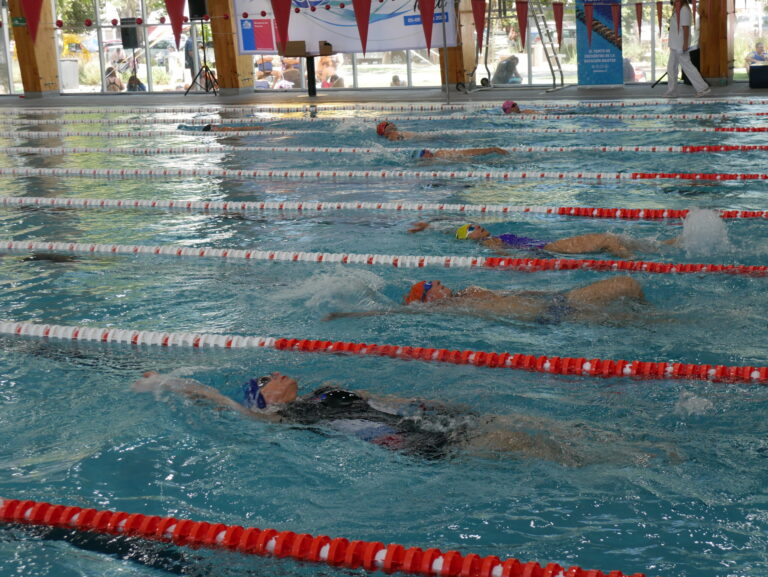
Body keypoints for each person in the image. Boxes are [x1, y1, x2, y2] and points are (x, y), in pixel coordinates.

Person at [133, 370, 630, 465]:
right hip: (408, 442)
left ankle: (616, 449)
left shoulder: (327, 389)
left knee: (519, 425)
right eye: (268, 378)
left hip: (419, 420)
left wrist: (422, 402)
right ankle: (610, 467)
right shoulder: (279, 417)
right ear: (263, 397)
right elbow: (217, 403)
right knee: (516, 442)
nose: (279, 372)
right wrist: (170, 383)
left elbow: (382, 397)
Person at [326, 276, 644, 326]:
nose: (438, 282)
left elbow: (514, 295)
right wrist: (347, 315)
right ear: (425, 301)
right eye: (430, 285)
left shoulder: (465, 293)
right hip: (550, 314)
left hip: (554, 306)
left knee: (632, 312)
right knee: (626, 283)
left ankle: (647, 313)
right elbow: (393, 311)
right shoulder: (446, 306)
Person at [409, 222, 676, 258]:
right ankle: (637, 262)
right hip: (549, 247)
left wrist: (429, 226)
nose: (477, 226)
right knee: (607, 239)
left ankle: (662, 248)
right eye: (472, 228)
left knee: (616, 238)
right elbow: (508, 255)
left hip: (548, 245)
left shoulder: (492, 238)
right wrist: (538, 258)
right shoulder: (489, 243)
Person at [664, 0, 711, 98]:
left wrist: (685, 44)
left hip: (680, 45)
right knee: (671, 68)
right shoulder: (677, 10)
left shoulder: (684, 10)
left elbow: (686, 28)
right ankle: (672, 91)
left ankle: (703, 88)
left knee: (687, 67)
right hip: (674, 45)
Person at [411, 147, 508, 160]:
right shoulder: (436, 158)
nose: (427, 150)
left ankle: (492, 149)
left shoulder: (439, 153)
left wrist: (491, 149)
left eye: (425, 149)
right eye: (424, 152)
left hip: (469, 158)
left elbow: (464, 153)